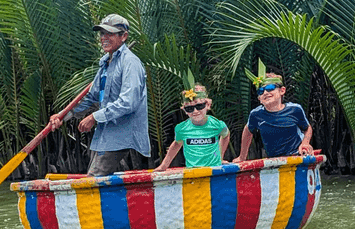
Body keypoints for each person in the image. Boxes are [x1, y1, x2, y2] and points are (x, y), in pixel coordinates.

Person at [50, 14, 150, 175]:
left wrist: (94, 117)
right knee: (94, 177)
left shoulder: (130, 63)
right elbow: (91, 97)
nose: (104, 38)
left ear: (123, 36)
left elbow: (128, 102)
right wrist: (63, 116)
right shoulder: (105, 64)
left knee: (93, 179)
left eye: (109, 34)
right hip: (106, 134)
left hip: (121, 134)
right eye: (102, 34)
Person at [233, 72, 314, 162]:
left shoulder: (295, 109)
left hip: (297, 156)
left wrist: (305, 143)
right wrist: (242, 157)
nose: (265, 93)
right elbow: (247, 131)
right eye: (261, 91)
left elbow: (307, 128)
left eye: (270, 88)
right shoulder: (256, 114)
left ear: (282, 90)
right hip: (274, 160)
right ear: (259, 99)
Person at [154, 85, 230, 171]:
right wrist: (163, 166)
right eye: (189, 108)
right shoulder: (181, 129)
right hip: (192, 173)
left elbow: (226, 135)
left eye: (199, 106)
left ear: (208, 105)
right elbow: (176, 144)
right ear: (185, 111)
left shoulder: (217, 125)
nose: (195, 111)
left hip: (214, 171)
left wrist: (220, 157)